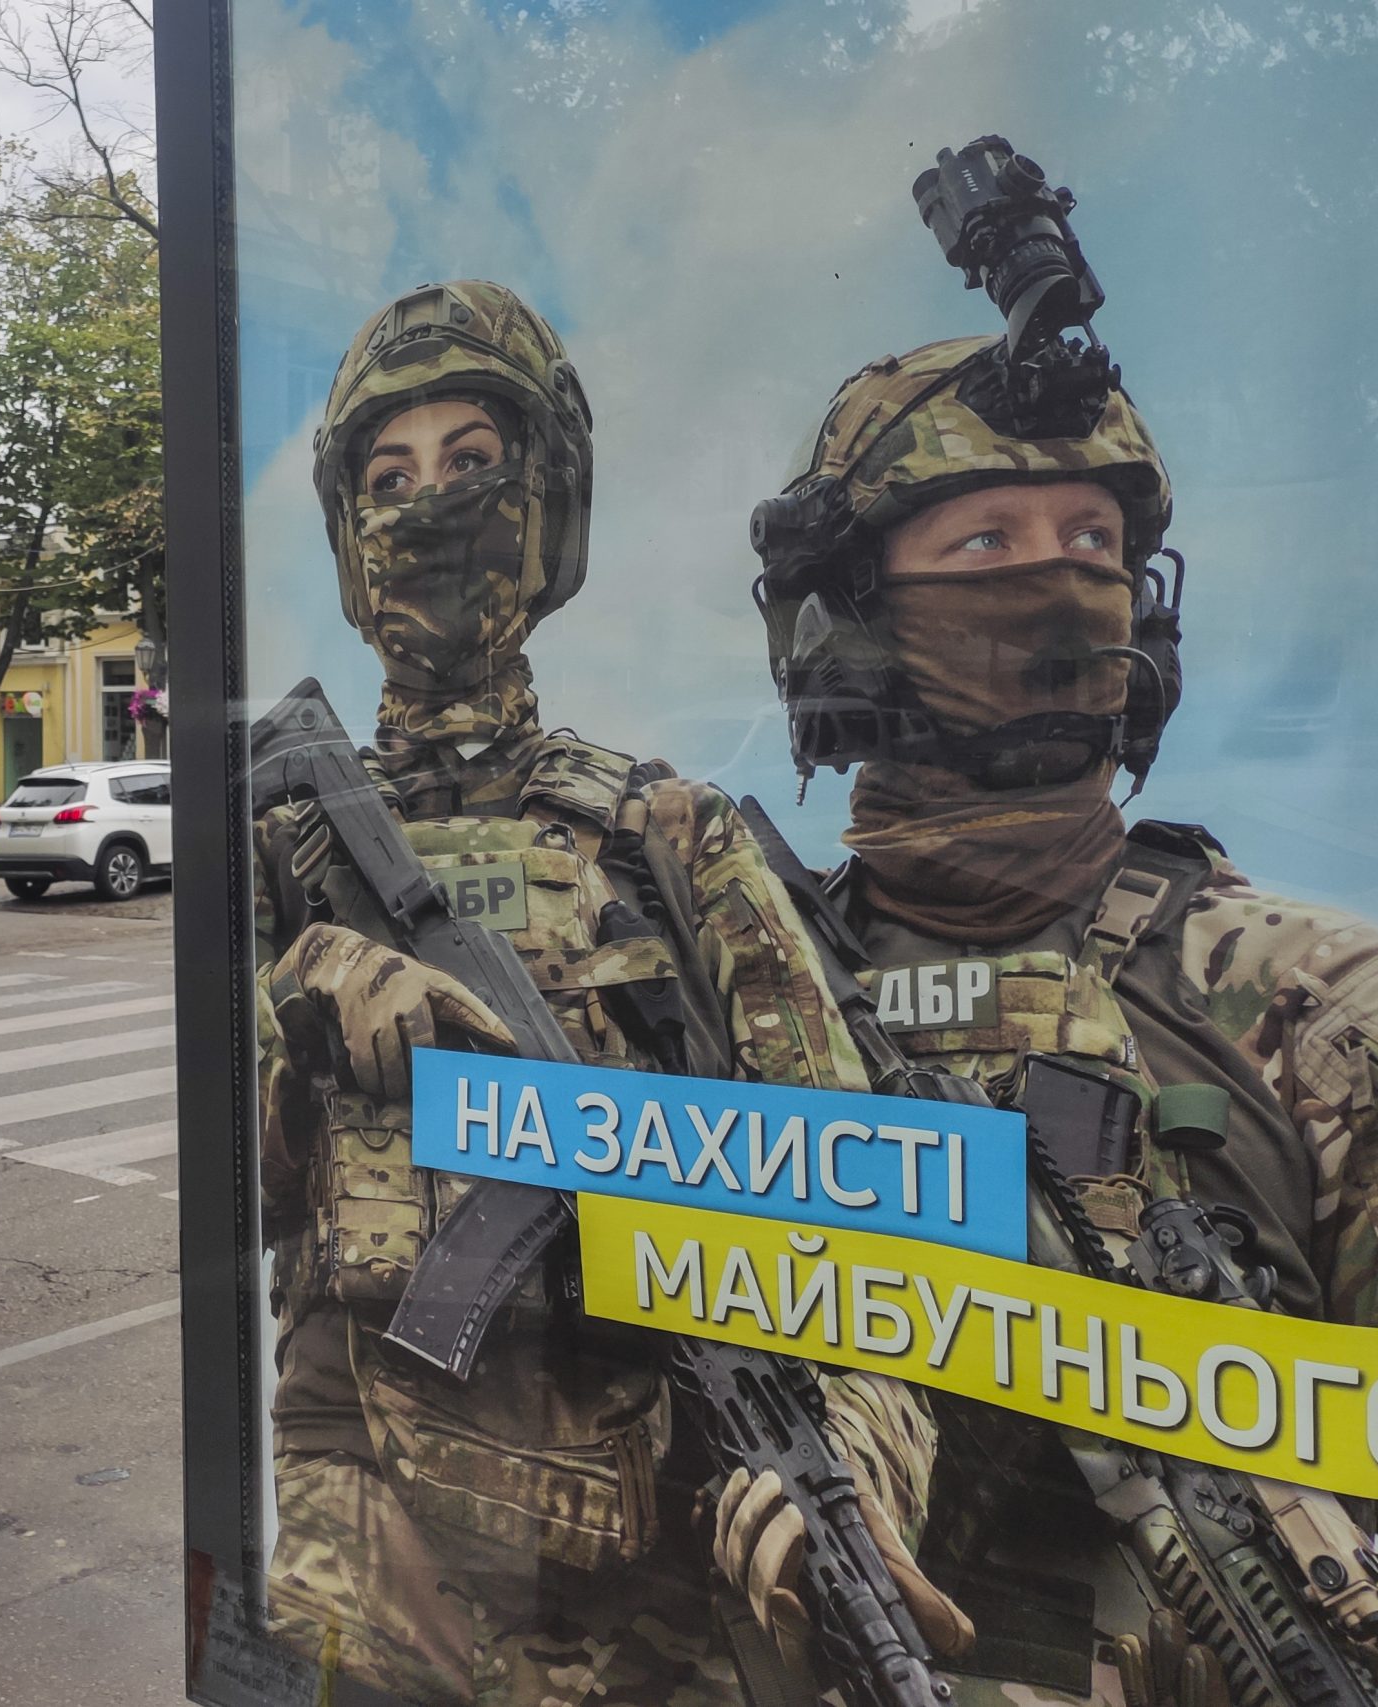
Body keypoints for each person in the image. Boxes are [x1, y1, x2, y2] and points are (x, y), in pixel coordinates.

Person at [741, 335, 1378, 1707]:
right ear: (847, 615)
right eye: (986, 541)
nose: (1057, 586)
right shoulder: (733, 993)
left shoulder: (1344, 1014)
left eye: (1092, 541)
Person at [252, 280, 961, 1705]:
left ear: (545, 504)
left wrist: (855, 1458)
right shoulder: (279, 845)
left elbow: (872, 1213)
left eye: (473, 460)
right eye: (389, 477)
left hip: (662, 1578)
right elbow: (222, 1200)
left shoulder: (665, 836)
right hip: (365, 1557)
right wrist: (296, 1015)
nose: (431, 505)